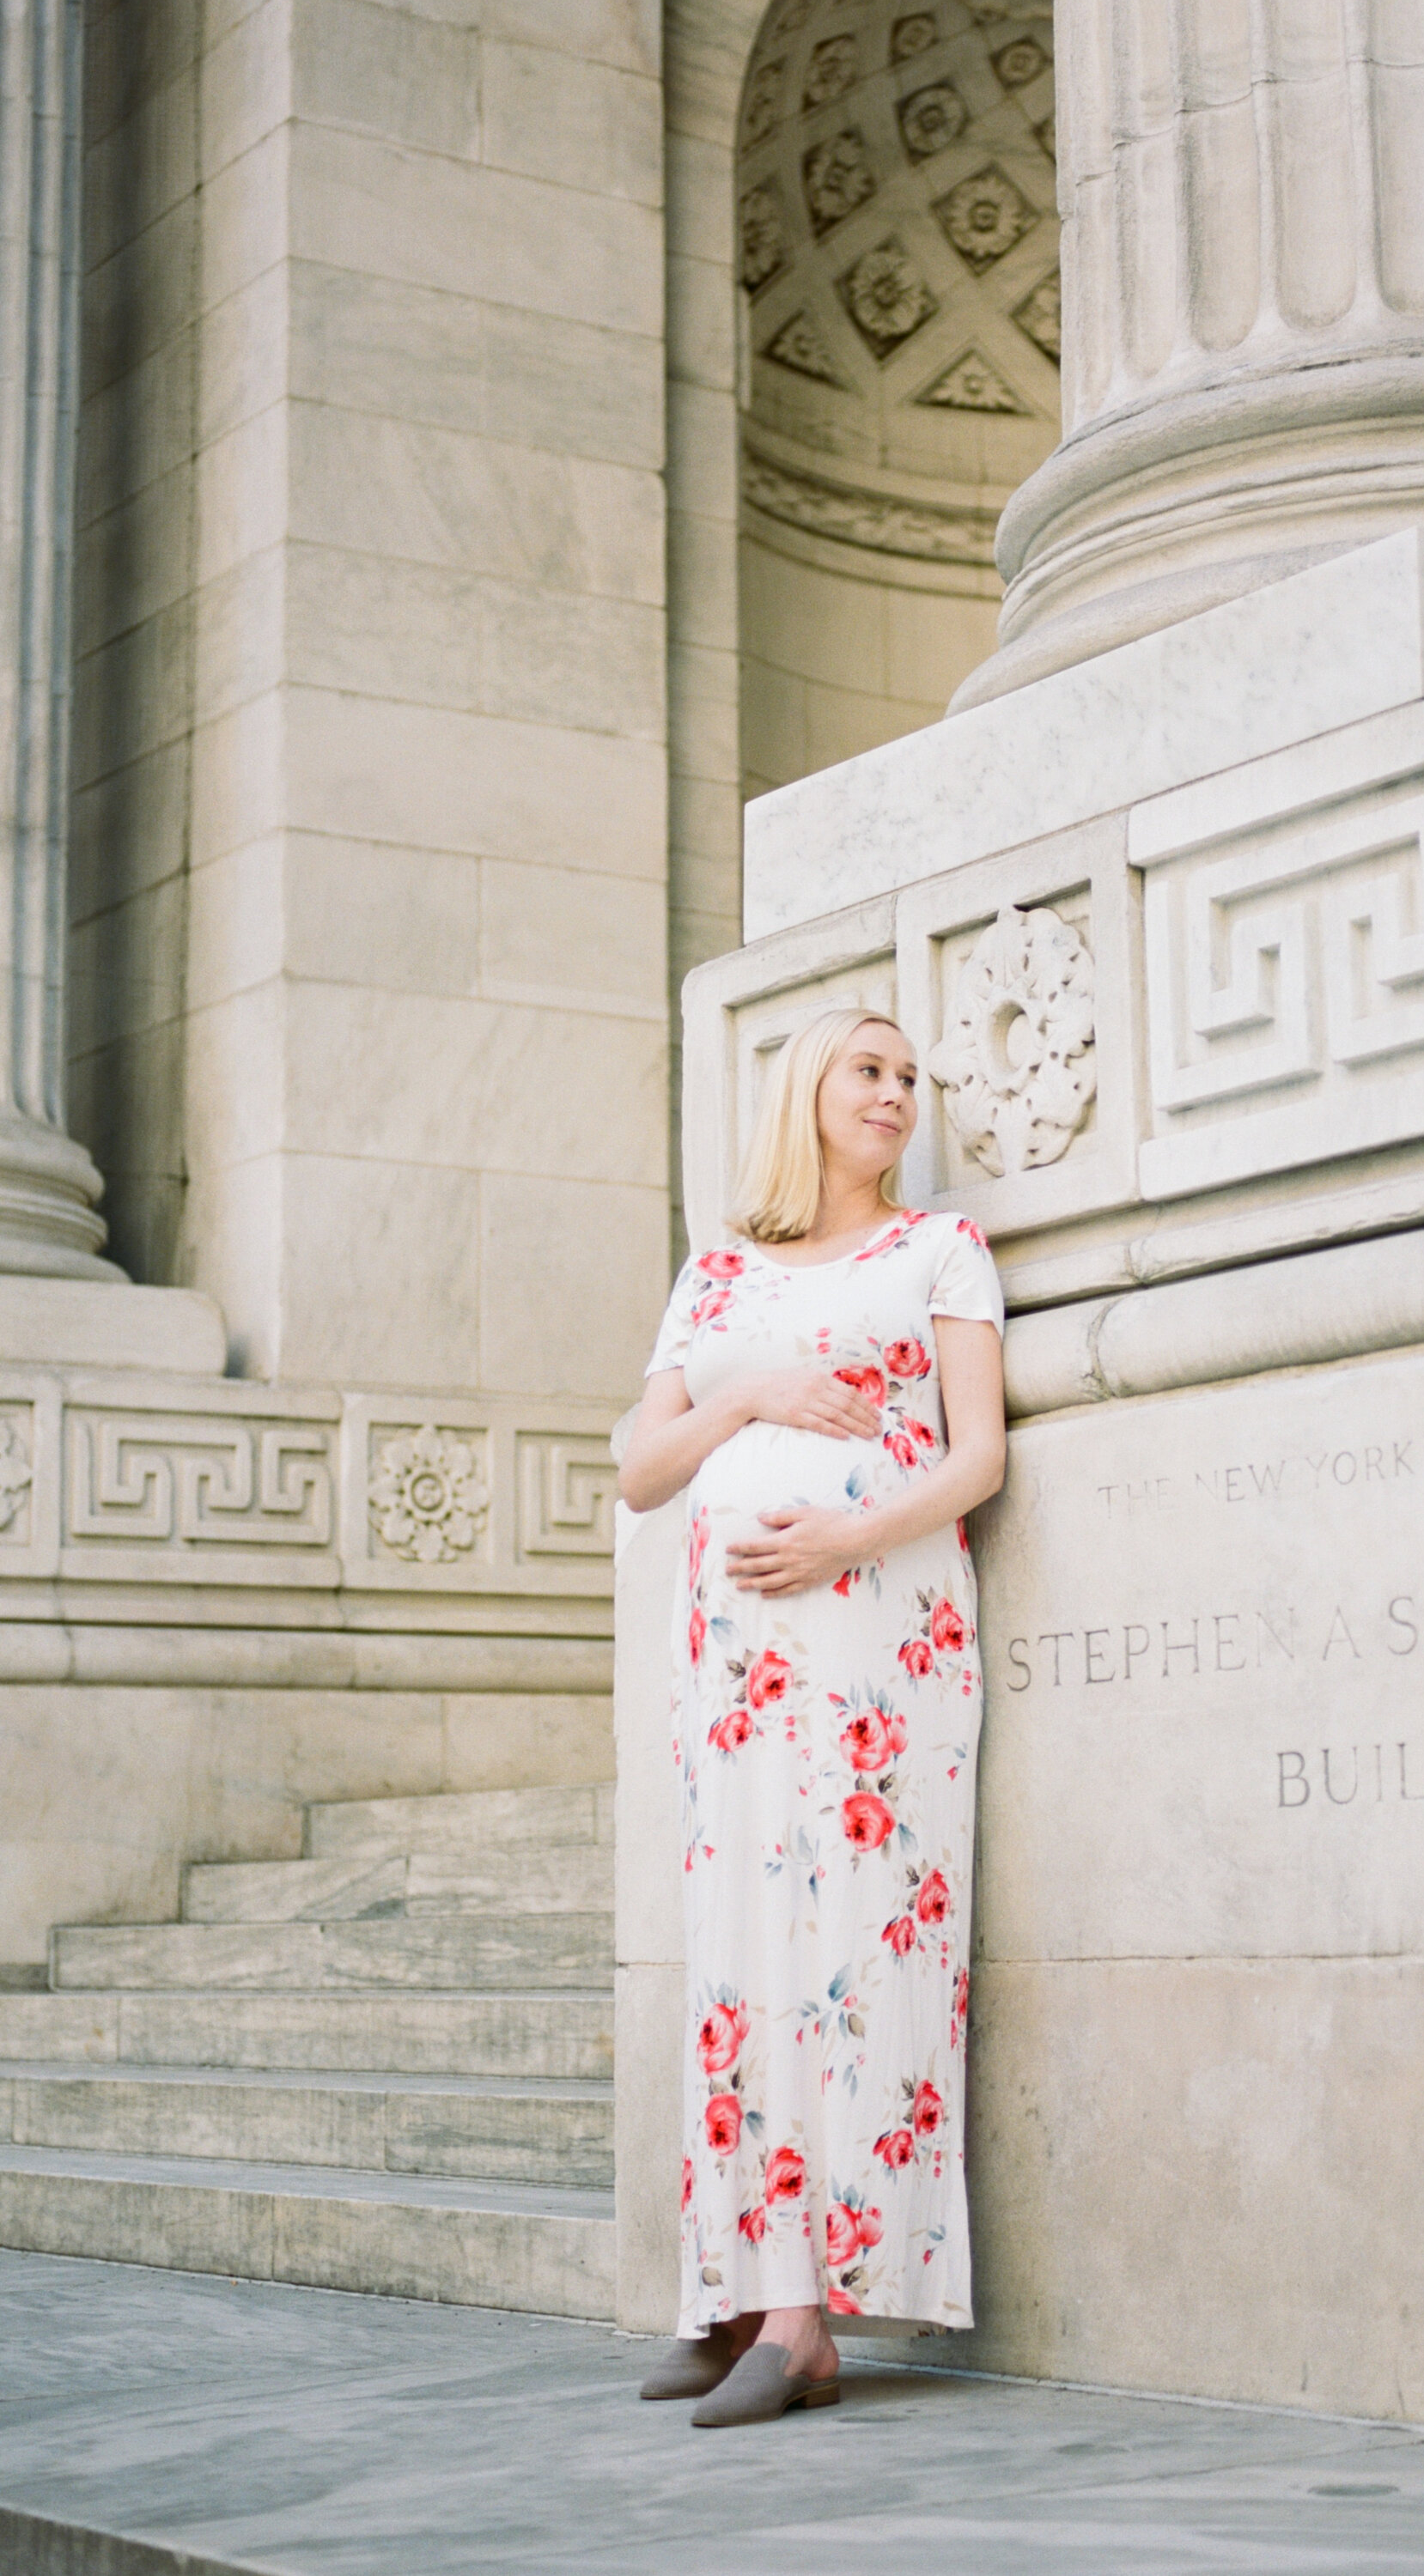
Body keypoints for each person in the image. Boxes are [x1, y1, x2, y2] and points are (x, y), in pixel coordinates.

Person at [618, 1007, 1007, 2428]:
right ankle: (724, 2288)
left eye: (912, 1077)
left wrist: (846, 1539)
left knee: (847, 1939)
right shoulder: (715, 1270)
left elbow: (978, 1454)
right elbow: (640, 1467)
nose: (899, 1093)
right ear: (807, 1092)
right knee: (739, 1949)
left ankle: (810, 2313)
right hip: (729, 1665)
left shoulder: (939, 1252)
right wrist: (753, 1396)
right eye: (871, 1069)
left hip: (873, 1651)